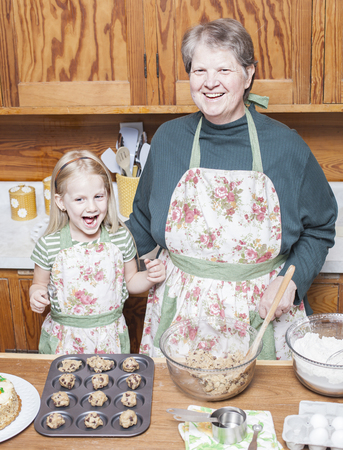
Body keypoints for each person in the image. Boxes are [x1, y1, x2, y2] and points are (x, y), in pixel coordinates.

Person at [126, 18, 338, 360]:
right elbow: (141, 222)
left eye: (224, 70)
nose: (210, 83)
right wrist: (88, 252)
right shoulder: (168, 140)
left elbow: (320, 226)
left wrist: (289, 283)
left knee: (260, 413)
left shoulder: (285, 146)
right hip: (179, 314)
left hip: (260, 313)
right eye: (199, 71)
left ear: (249, 74)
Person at [30, 150, 165, 354]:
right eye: (80, 200)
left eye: (98, 196)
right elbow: (38, 284)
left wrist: (149, 277)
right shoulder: (49, 245)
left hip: (108, 339)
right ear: (60, 202)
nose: (91, 207)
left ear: (108, 195)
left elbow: (131, 281)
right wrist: (36, 295)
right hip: (65, 341)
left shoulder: (120, 238)